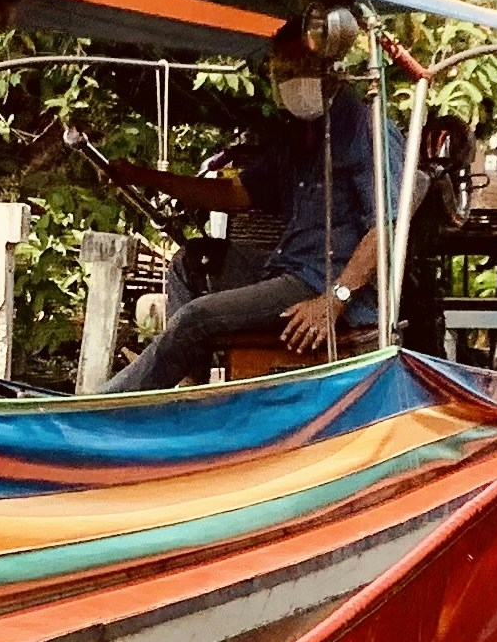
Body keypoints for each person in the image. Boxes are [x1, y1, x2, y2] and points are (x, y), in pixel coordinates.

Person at [103, 21, 400, 391]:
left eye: (300, 67)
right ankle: (188, 389)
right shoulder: (296, 138)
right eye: (283, 70)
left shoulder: (367, 130)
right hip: (284, 267)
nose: (291, 79)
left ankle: (104, 406)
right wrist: (141, 176)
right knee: (190, 262)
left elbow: (386, 228)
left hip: (322, 282)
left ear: (331, 68)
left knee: (196, 318)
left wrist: (334, 299)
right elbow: (232, 195)